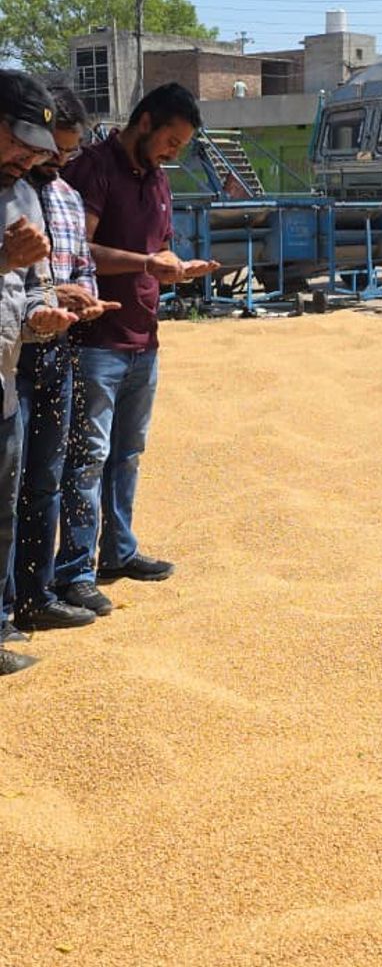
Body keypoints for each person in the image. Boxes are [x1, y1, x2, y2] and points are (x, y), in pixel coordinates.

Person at [55, 82, 216, 618]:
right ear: (144, 121)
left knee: (127, 454)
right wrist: (148, 264)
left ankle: (117, 552)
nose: (174, 152)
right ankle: (75, 569)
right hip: (97, 340)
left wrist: (177, 265)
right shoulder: (95, 169)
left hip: (144, 339)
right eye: (170, 139)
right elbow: (80, 252)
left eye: (181, 145)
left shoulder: (158, 180)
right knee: (88, 458)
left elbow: (158, 248)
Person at [8, 86, 120, 632]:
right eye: (49, 151)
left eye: (66, 154)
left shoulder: (57, 198)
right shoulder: (13, 192)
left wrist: (72, 299)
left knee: (42, 480)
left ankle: (34, 593)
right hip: (16, 362)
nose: (53, 162)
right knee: (11, 486)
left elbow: (48, 278)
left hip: (52, 348)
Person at [0, 70, 79, 674]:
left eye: (35, 147)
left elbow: (26, 294)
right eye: (18, 140)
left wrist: (45, 315)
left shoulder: (24, 195)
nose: (28, 157)